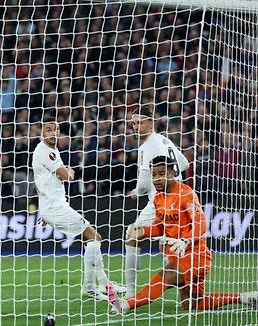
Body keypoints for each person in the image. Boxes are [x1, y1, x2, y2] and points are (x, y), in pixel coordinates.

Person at [108, 156, 257, 313]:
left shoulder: (186, 194)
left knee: (164, 277)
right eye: (154, 175)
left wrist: (186, 240)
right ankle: (245, 297)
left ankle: (126, 305)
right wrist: (143, 231)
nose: (157, 179)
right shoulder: (158, 198)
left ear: (172, 173)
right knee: (193, 305)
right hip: (177, 256)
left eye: (161, 174)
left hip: (194, 256)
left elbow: (201, 223)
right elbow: (160, 227)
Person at [32, 115, 123, 301]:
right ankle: (90, 287)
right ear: (41, 131)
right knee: (94, 237)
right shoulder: (45, 151)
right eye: (48, 129)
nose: (53, 133)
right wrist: (69, 173)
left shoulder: (52, 150)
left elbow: (45, 181)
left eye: (55, 129)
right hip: (55, 208)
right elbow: (67, 176)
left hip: (53, 207)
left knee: (89, 241)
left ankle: (104, 284)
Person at [125, 105, 189, 298]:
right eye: (133, 123)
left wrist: (136, 192)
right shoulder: (165, 139)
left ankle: (129, 293)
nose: (136, 127)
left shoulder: (148, 146)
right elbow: (184, 163)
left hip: (161, 200)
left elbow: (144, 183)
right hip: (179, 196)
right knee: (167, 246)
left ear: (151, 122)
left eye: (140, 122)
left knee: (133, 239)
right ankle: (188, 292)